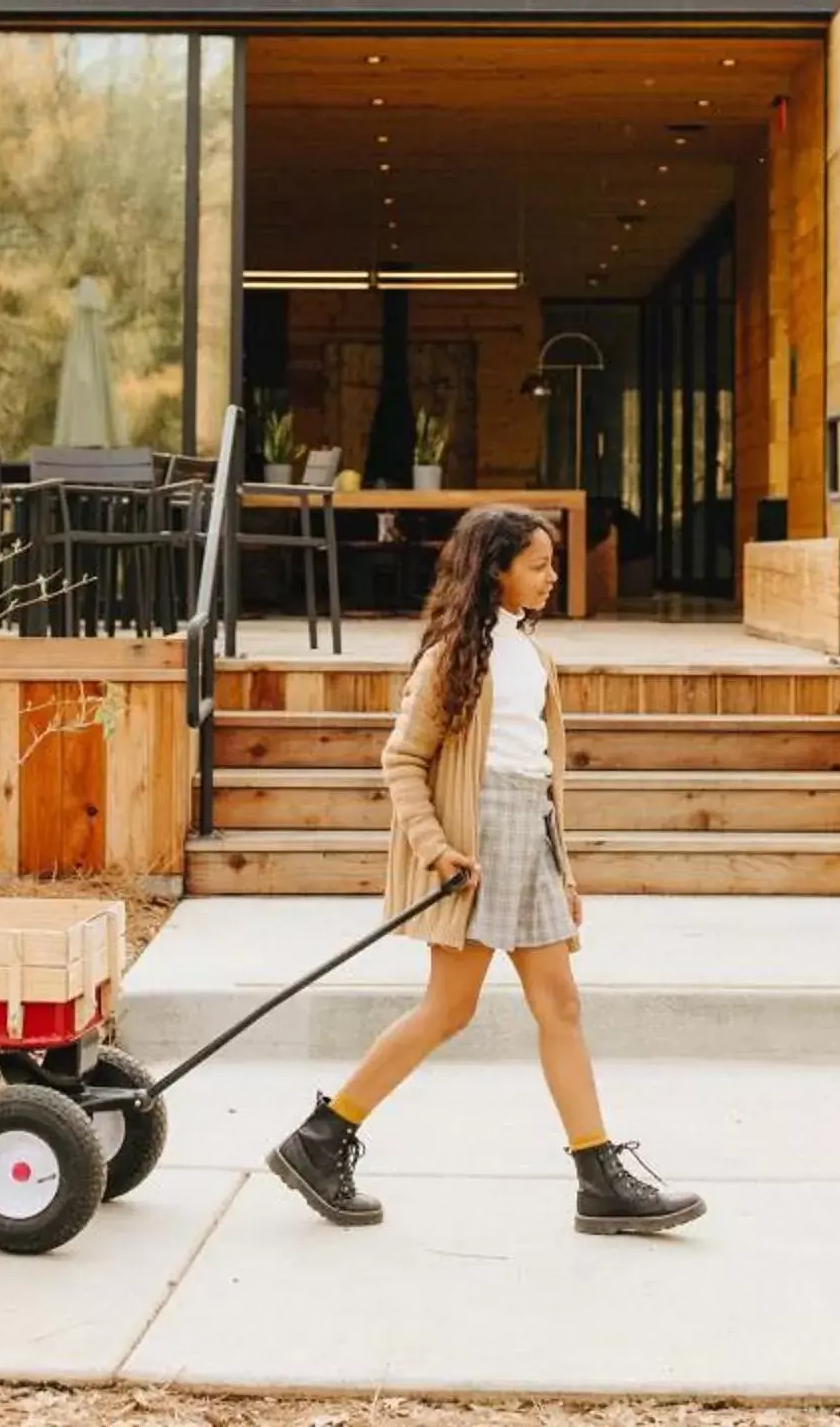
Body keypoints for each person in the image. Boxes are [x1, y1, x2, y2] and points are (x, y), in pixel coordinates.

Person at [267, 504, 704, 1236]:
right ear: (495, 570)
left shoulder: (533, 655)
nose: (552, 576)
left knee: (559, 1005)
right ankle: (323, 1136)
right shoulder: (452, 658)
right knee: (449, 1009)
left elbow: (540, 773)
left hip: (528, 837)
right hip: (474, 847)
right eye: (538, 565)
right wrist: (436, 846)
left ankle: (598, 1176)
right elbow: (402, 759)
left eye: (551, 563)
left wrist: (560, 867)